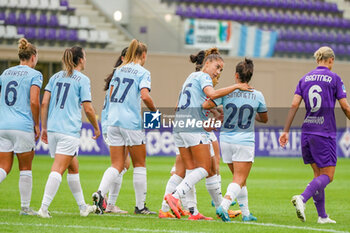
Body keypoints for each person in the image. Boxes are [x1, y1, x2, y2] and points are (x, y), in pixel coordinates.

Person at [165, 52, 252, 219]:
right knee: (205, 168)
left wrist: (214, 111)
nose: (219, 71)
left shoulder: (191, 76)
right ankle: (174, 196)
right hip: (193, 126)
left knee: (192, 169)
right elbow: (212, 94)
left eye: (221, 69)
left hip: (179, 125)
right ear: (207, 63)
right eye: (217, 67)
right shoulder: (204, 77)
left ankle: (194, 212)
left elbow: (185, 104)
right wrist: (236, 86)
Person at [279, 46, 350, 224]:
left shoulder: (304, 79)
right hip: (324, 133)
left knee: (318, 175)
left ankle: (322, 216)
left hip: (307, 131)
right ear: (331, 60)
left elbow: (294, 105)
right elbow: (345, 106)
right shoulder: (335, 78)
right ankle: (302, 198)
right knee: (329, 175)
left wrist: (286, 130)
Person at [92, 39, 157, 215]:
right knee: (139, 164)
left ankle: (100, 193)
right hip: (131, 122)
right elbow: (145, 96)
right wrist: (154, 111)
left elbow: (111, 96)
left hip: (113, 121)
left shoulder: (118, 71)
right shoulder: (143, 72)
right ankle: (140, 206)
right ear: (143, 55)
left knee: (117, 164)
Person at [38, 46, 100, 218]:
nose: (85, 60)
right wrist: (96, 126)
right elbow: (87, 108)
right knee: (58, 169)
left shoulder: (55, 77)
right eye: (85, 57)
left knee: (73, 166)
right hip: (68, 130)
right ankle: (43, 208)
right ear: (80, 59)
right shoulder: (83, 79)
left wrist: (44, 127)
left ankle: (82, 207)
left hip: (53, 129)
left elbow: (44, 103)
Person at [203, 58, 268, 222]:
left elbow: (207, 104)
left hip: (225, 139)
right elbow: (264, 118)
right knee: (239, 179)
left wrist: (220, 111)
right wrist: (250, 114)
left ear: (236, 75)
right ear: (250, 76)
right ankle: (223, 206)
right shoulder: (257, 95)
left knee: (240, 179)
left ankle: (246, 214)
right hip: (244, 140)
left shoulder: (227, 92)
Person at [0, 38, 42, 215]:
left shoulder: (5, 74)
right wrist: (37, 123)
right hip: (22, 126)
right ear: (33, 57)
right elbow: (34, 101)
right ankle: (25, 208)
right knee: (25, 168)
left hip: (3, 126)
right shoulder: (35, 75)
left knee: (3, 167)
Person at [101, 47, 130, 214]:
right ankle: (105, 199)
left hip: (108, 124)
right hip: (115, 124)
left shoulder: (115, 77)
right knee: (120, 165)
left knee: (124, 164)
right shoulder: (123, 77)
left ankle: (109, 202)